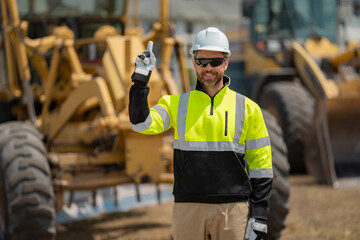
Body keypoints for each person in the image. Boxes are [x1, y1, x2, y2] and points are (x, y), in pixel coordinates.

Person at [129, 27, 272, 240]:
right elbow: (140, 124)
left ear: (226, 62)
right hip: (188, 208)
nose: (208, 68)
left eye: (215, 61)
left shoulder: (248, 108)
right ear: (194, 62)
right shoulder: (175, 104)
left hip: (233, 211)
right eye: (202, 61)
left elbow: (261, 166)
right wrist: (140, 81)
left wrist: (259, 215)